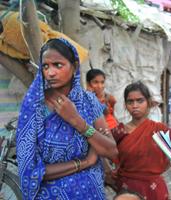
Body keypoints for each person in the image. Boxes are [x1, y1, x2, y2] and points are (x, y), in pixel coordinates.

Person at [16, 38, 118, 200]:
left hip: (90, 193)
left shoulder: (88, 102)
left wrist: (77, 121)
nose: (50, 72)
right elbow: (30, 170)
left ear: (75, 66)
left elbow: (111, 150)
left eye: (58, 65)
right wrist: (84, 163)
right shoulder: (34, 106)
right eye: (45, 66)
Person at [110, 81, 171, 200]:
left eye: (140, 101)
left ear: (148, 102)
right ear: (125, 105)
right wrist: (109, 171)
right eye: (130, 101)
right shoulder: (119, 131)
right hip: (127, 189)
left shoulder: (159, 129)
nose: (135, 105)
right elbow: (103, 150)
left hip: (154, 189)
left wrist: (170, 162)